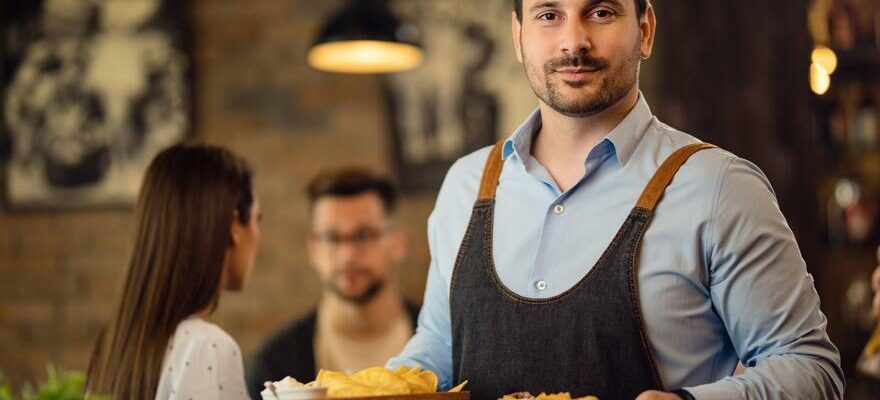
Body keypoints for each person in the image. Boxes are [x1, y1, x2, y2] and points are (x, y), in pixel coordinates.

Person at [387, 1, 844, 399]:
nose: (574, 41)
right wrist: (365, 389)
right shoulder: (466, 185)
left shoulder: (719, 187)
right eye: (549, 15)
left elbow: (810, 368)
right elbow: (439, 343)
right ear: (518, 36)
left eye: (601, 13)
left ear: (644, 30)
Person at [86, 143, 260, 400]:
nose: (258, 234)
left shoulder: (114, 344)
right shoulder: (207, 346)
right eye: (258, 219)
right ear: (235, 226)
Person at [247, 167, 418, 398]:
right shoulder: (275, 364)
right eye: (331, 238)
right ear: (313, 249)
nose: (347, 254)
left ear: (397, 242)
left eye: (364, 235)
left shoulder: (449, 346)